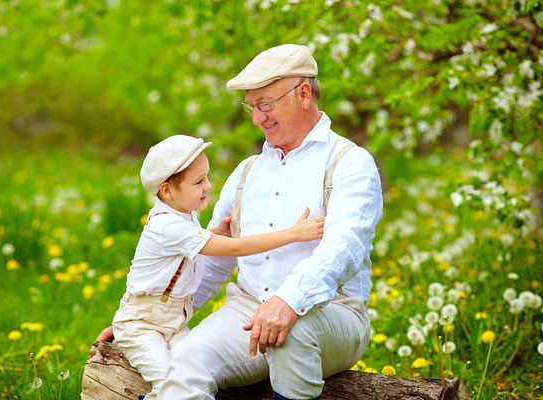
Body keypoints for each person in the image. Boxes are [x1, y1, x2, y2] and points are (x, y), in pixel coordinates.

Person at [98, 44, 383, 400]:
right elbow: (215, 262)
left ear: (304, 94)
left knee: (291, 333)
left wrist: (289, 301)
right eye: (251, 106)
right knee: (185, 364)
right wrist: (151, 322)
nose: (256, 118)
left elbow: (345, 248)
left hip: (331, 315)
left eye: (266, 104)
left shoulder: (349, 162)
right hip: (247, 312)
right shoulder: (247, 171)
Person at [111, 134, 325, 400]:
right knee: (171, 381)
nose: (208, 186)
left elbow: (185, 249)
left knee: (188, 368)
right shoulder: (166, 225)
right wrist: (293, 234)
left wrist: (213, 232)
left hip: (173, 322)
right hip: (142, 325)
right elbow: (236, 248)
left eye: (207, 177)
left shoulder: (182, 213)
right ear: (167, 191)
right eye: (199, 181)